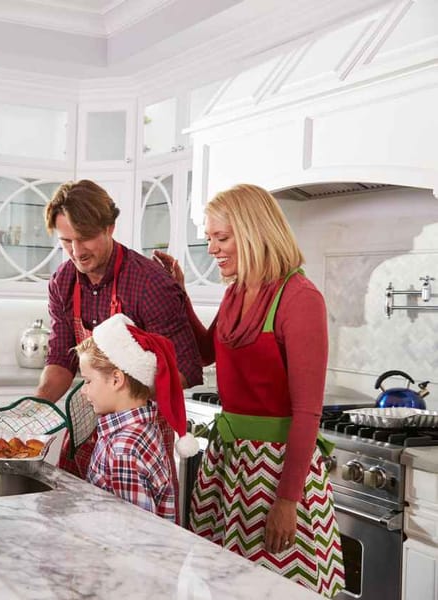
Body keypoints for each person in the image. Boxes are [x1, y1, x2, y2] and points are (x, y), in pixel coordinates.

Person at [154, 183, 344, 597]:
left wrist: (287, 502)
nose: (213, 249)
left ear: (255, 232)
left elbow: (308, 412)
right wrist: (179, 292)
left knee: (274, 590)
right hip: (228, 463)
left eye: (222, 238)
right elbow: (207, 351)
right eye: (210, 239)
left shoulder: (300, 298)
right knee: (218, 586)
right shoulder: (237, 292)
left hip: (275, 472)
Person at [37, 179, 203, 501]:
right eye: (66, 241)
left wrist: (124, 397)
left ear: (110, 227)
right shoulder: (63, 281)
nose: (76, 251)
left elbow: (185, 367)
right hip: (87, 425)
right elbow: (61, 359)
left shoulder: (149, 284)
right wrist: (34, 410)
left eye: (84, 238)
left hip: (138, 432)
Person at [76, 313, 199, 521]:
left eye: (88, 381)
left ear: (116, 379)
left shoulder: (125, 449)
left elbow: (132, 533)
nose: (83, 390)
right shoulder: (139, 431)